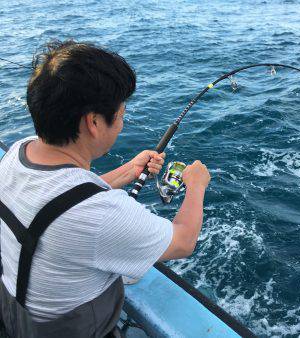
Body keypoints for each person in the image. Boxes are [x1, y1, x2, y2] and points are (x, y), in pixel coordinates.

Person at [0, 40, 210, 338]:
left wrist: (128, 171)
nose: (122, 124)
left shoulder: (17, 153)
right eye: (122, 115)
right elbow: (183, 242)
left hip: (15, 318)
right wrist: (196, 185)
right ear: (94, 122)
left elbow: (62, 202)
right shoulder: (102, 214)